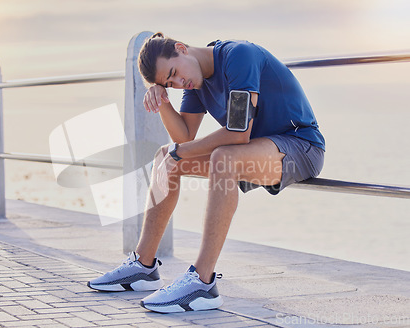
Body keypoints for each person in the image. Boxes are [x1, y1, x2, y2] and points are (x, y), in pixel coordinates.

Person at [88, 32, 325, 313]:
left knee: (221, 157)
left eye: (174, 74)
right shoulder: (195, 83)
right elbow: (185, 138)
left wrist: (182, 151)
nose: (178, 83)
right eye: (170, 83)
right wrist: (162, 99)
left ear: (181, 48)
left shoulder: (239, 56)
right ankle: (143, 265)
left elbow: (238, 132)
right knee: (165, 157)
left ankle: (202, 282)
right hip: (254, 150)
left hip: (300, 146)